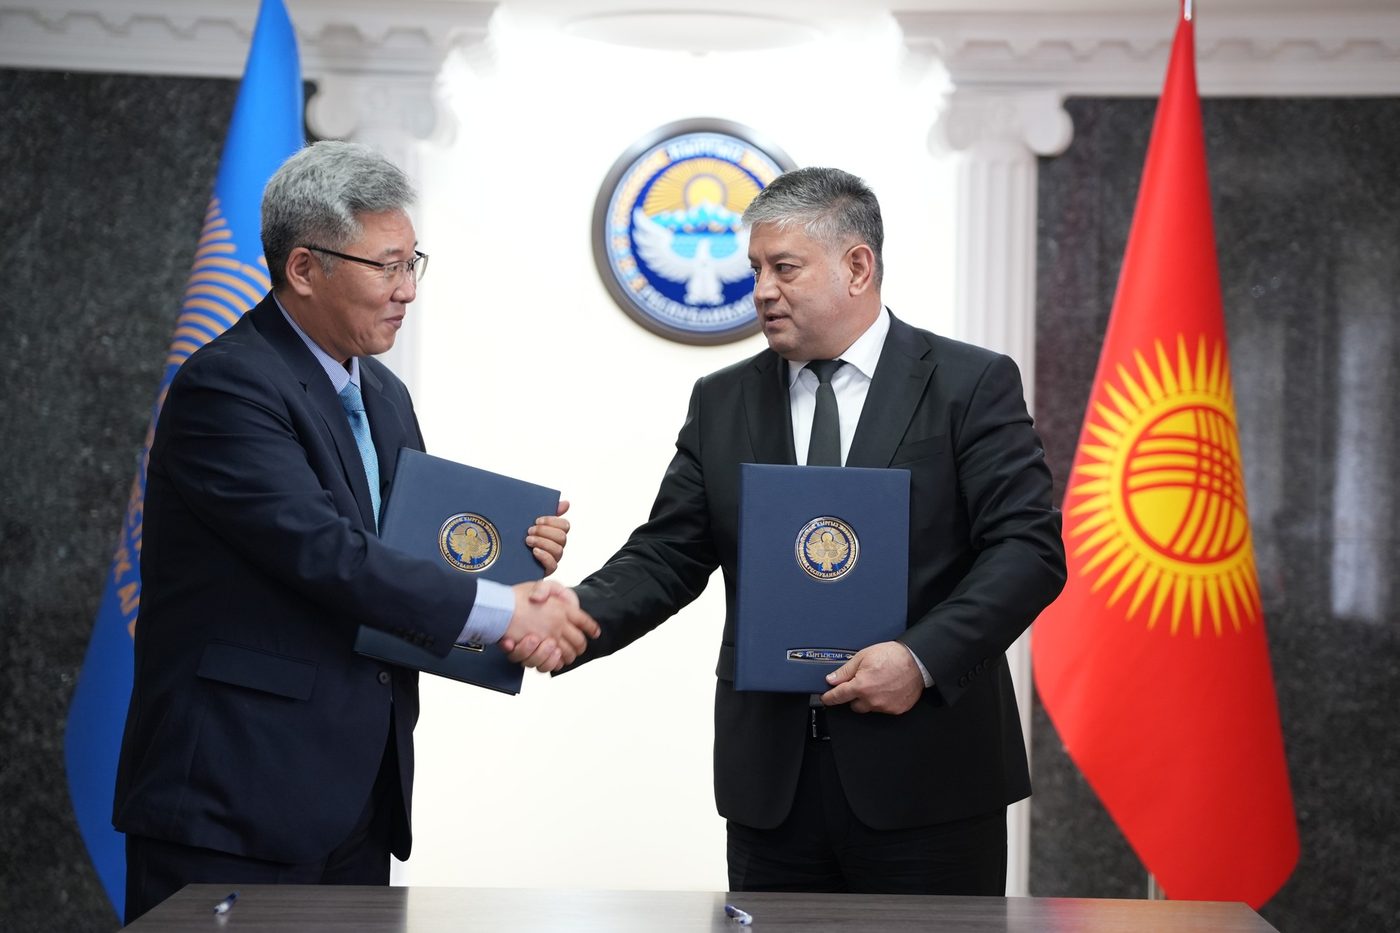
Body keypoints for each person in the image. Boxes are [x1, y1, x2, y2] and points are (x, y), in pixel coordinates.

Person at [112, 140, 598, 923]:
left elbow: (407, 549)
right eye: (387, 266)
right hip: (233, 800)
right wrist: (504, 609)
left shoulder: (384, 394)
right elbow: (326, 552)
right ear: (304, 268)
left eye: (414, 262)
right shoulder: (227, 386)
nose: (408, 290)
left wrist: (515, 562)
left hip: (358, 800)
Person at [544, 167, 1066, 894]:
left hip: (931, 783)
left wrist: (920, 658)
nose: (762, 290)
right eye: (755, 268)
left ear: (858, 267)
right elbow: (668, 554)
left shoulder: (968, 384)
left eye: (784, 268)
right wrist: (569, 615)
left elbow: (1027, 550)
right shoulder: (723, 399)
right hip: (773, 791)